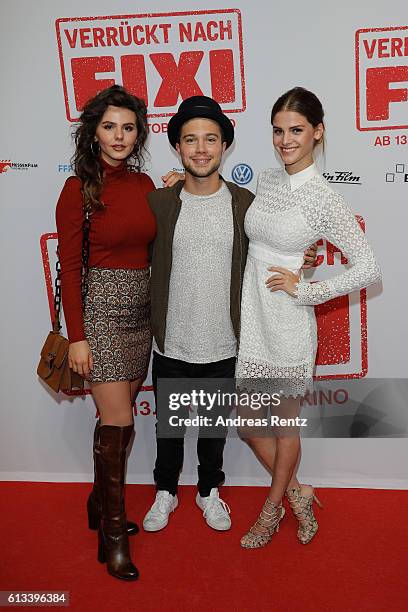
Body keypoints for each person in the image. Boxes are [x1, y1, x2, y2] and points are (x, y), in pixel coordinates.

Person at [142, 96, 317, 534]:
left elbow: (281, 241)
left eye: (211, 139)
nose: (201, 149)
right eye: (190, 140)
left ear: (225, 146)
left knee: (214, 431)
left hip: (226, 342)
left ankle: (208, 492)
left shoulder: (247, 205)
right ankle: (165, 491)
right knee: (170, 427)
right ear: (178, 148)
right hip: (172, 340)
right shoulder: (159, 203)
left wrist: (304, 259)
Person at [236, 87, 382, 548]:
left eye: (296, 130)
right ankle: (299, 492)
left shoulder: (324, 197)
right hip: (254, 315)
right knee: (247, 422)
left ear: (317, 133)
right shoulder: (269, 178)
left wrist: (308, 290)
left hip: (287, 321)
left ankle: (270, 510)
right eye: (278, 131)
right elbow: (266, 238)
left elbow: (368, 268)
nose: (285, 140)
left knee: (284, 425)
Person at [56, 85, 156, 581]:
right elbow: (69, 266)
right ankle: (112, 536)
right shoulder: (78, 188)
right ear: (93, 131)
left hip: (141, 313)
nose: (119, 136)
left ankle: (100, 502)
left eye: (128, 127)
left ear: (138, 135)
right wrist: (78, 336)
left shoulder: (144, 185)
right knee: (116, 420)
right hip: (99, 312)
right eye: (110, 126)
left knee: (124, 421)